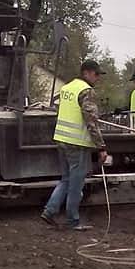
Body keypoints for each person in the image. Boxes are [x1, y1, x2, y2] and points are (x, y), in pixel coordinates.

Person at [40, 59, 108, 230]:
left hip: (61, 139)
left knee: (66, 179)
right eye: (96, 74)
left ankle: (50, 210)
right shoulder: (86, 91)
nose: (98, 78)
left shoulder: (67, 88)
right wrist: (101, 147)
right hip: (76, 143)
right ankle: (72, 220)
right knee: (76, 184)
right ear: (86, 73)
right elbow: (91, 121)